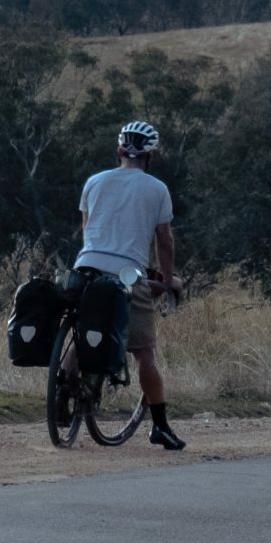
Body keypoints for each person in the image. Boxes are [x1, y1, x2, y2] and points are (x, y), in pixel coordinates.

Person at [75, 119, 186, 451]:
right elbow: (164, 241)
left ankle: (64, 385)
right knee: (144, 352)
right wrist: (165, 281)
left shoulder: (94, 182)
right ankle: (161, 427)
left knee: (81, 328)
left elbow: (88, 229)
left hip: (86, 265)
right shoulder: (157, 189)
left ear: (119, 150)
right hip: (127, 275)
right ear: (149, 156)